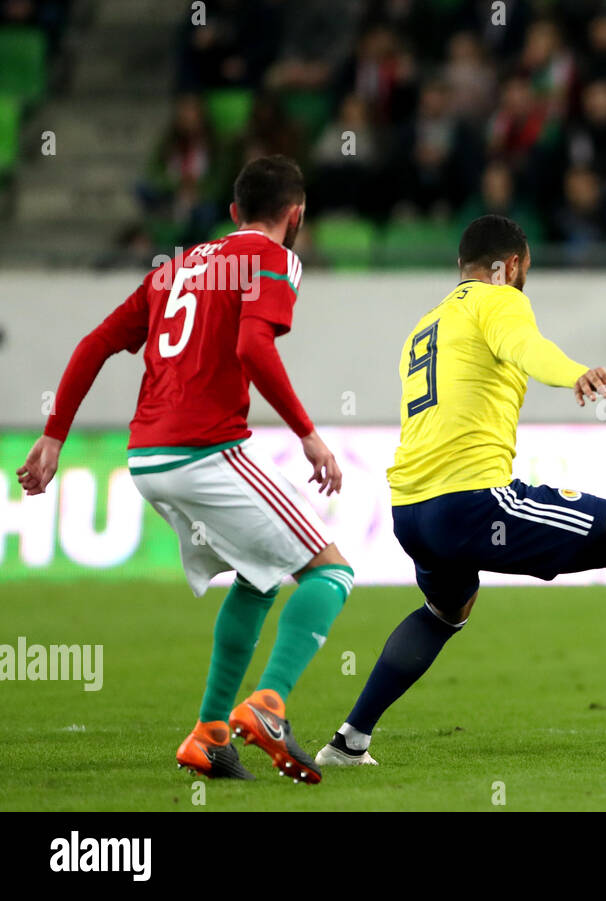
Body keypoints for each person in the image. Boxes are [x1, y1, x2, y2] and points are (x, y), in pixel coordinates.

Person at [315, 215, 606, 766]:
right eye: (526, 270)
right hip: (472, 501)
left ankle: (350, 741)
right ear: (511, 265)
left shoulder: (429, 324)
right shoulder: (499, 300)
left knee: (446, 608)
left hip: (410, 510)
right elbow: (525, 347)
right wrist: (574, 373)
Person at [17, 156, 352, 783]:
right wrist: (309, 435)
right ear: (296, 215)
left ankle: (209, 734)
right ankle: (270, 704)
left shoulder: (174, 268)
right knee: (330, 572)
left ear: (231, 214)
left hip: (146, 454)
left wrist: (54, 435)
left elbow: (95, 343)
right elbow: (253, 346)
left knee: (260, 576)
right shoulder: (275, 259)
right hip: (204, 448)